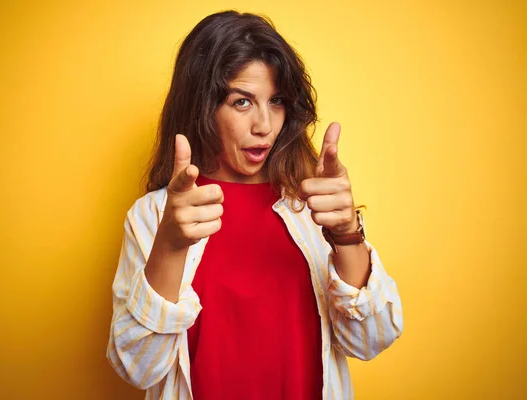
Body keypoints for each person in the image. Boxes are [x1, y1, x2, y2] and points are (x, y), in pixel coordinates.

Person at [107, 10, 403, 400]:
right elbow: (138, 368)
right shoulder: (153, 216)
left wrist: (347, 236)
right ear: (201, 106)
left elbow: (371, 340)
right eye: (242, 101)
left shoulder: (312, 208)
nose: (264, 124)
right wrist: (170, 245)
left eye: (276, 101)